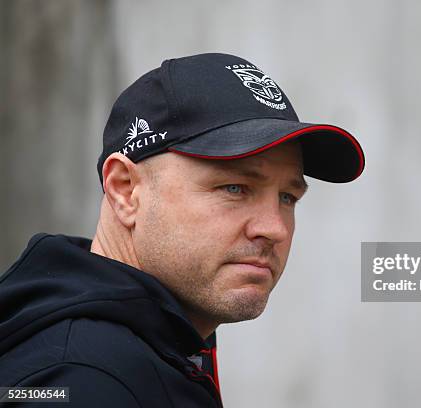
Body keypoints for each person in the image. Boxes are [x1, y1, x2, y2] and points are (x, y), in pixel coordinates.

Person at [0, 53, 364, 406]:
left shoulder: (159, 351)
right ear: (125, 190)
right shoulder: (82, 380)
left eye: (287, 197)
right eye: (234, 188)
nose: (274, 229)